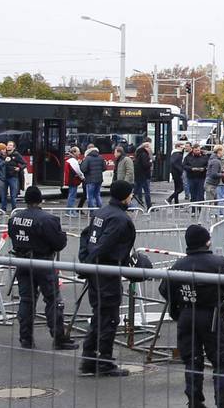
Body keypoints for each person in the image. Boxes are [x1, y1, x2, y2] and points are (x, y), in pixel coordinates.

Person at [159, 225, 224, 408]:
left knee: (192, 361)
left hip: (187, 315)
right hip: (211, 315)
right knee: (222, 362)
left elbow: (165, 290)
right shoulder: (218, 263)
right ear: (207, 242)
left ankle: (195, 406)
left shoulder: (178, 265)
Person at [79, 179, 138, 376]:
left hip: (96, 270)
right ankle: (103, 361)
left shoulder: (100, 212)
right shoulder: (120, 219)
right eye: (130, 194)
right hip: (107, 270)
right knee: (108, 317)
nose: (131, 197)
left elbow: (86, 237)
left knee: (99, 315)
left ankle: (89, 358)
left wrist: (85, 262)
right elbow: (105, 245)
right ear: (125, 196)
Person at [9, 186, 77, 350]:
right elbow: (59, 243)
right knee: (53, 300)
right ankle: (59, 338)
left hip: (22, 262)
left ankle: (25, 339)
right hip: (43, 262)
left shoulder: (14, 219)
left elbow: (13, 237)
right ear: (40, 200)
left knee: (26, 300)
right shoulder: (47, 219)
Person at [81, 145, 106, 212]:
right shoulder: (101, 157)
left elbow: (83, 169)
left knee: (90, 196)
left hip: (90, 180)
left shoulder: (88, 158)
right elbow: (104, 168)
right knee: (97, 195)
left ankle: (92, 212)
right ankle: (100, 210)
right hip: (99, 179)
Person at [2, 141, 24, 212]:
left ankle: (14, 209)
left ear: (13, 147)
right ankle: (3, 209)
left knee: (13, 195)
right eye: (8, 145)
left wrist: (19, 168)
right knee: (3, 195)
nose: (8, 146)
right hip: (4, 177)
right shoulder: (4, 154)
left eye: (10, 145)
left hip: (13, 177)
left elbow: (24, 163)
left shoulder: (16, 154)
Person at [63, 146, 85, 216]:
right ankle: (69, 212)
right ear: (74, 152)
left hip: (71, 179)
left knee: (71, 195)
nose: (79, 153)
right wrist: (83, 177)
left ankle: (70, 211)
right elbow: (78, 171)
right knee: (72, 196)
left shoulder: (70, 159)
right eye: (78, 151)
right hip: (73, 180)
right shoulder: (73, 160)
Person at [133, 140, 153, 209]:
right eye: (149, 148)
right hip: (143, 175)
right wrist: (150, 162)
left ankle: (128, 204)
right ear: (146, 147)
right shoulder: (144, 154)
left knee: (135, 191)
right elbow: (145, 165)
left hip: (138, 175)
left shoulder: (139, 153)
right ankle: (149, 206)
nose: (150, 149)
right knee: (147, 191)